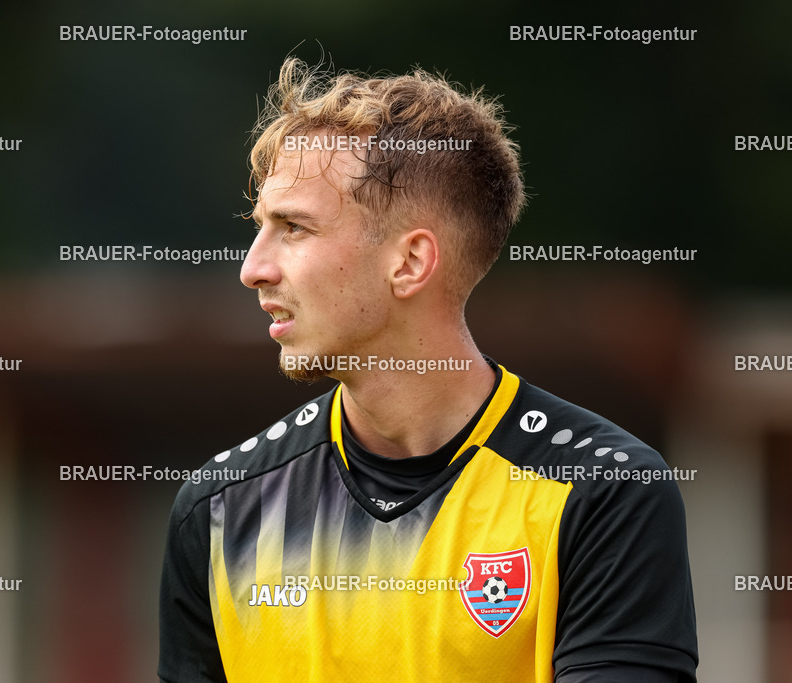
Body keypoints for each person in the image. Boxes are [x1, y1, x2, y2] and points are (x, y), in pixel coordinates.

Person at [159, 57, 698, 682]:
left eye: (294, 228)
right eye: (260, 229)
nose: (254, 268)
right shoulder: (220, 509)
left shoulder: (604, 491)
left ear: (411, 262)